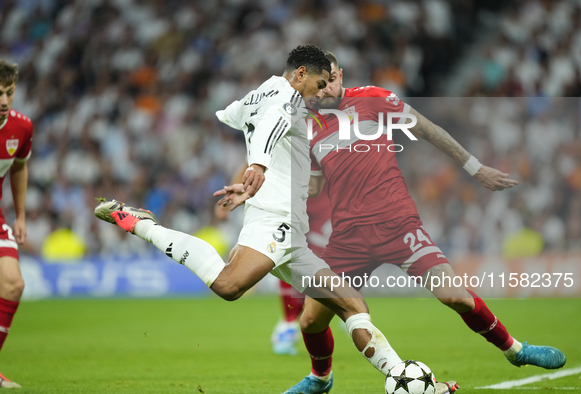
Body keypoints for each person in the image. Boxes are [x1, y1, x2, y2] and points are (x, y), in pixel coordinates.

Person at [94, 44, 458, 394]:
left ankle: (406, 380)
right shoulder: (288, 98)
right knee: (228, 285)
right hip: (276, 218)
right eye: (317, 85)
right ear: (300, 74)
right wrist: (258, 165)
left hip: (291, 227)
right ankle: (141, 224)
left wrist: (241, 145)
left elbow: (232, 114)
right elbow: (274, 121)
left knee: (352, 305)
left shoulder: (260, 92)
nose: (318, 94)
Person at [283, 51, 567, 393]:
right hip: (347, 238)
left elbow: (428, 129)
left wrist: (476, 168)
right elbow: (313, 186)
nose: (325, 89)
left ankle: (516, 351)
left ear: (340, 75)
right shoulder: (309, 126)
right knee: (311, 320)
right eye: (320, 84)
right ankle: (320, 380)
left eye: (330, 80)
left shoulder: (372, 99)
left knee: (455, 296)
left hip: (397, 226)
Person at [0, 60, 34, 389]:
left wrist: (20, 214)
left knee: (13, 284)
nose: (4, 101)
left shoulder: (21, 128)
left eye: (9, 93)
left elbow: (19, 167)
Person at [271, 189, 330, 356]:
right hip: (292, 198)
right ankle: (288, 324)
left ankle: (291, 324)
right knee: (288, 256)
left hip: (324, 202)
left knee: (321, 260)